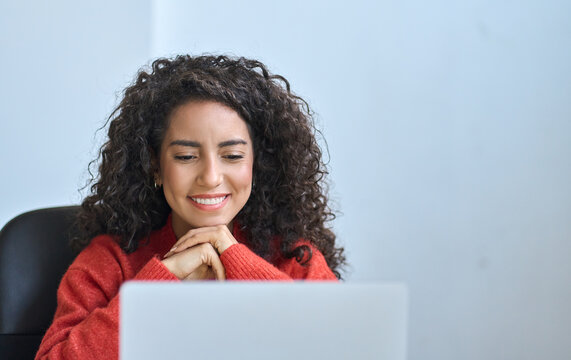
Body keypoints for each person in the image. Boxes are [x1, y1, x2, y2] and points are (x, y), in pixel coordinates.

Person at [35, 55, 346, 359]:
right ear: (155, 165)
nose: (210, 178)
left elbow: (342, 347)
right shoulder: (111, 260)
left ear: (257, 164)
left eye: (233, 156)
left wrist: (236, 258)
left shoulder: (294, 256)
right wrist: (163, 281)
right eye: (185, 157)